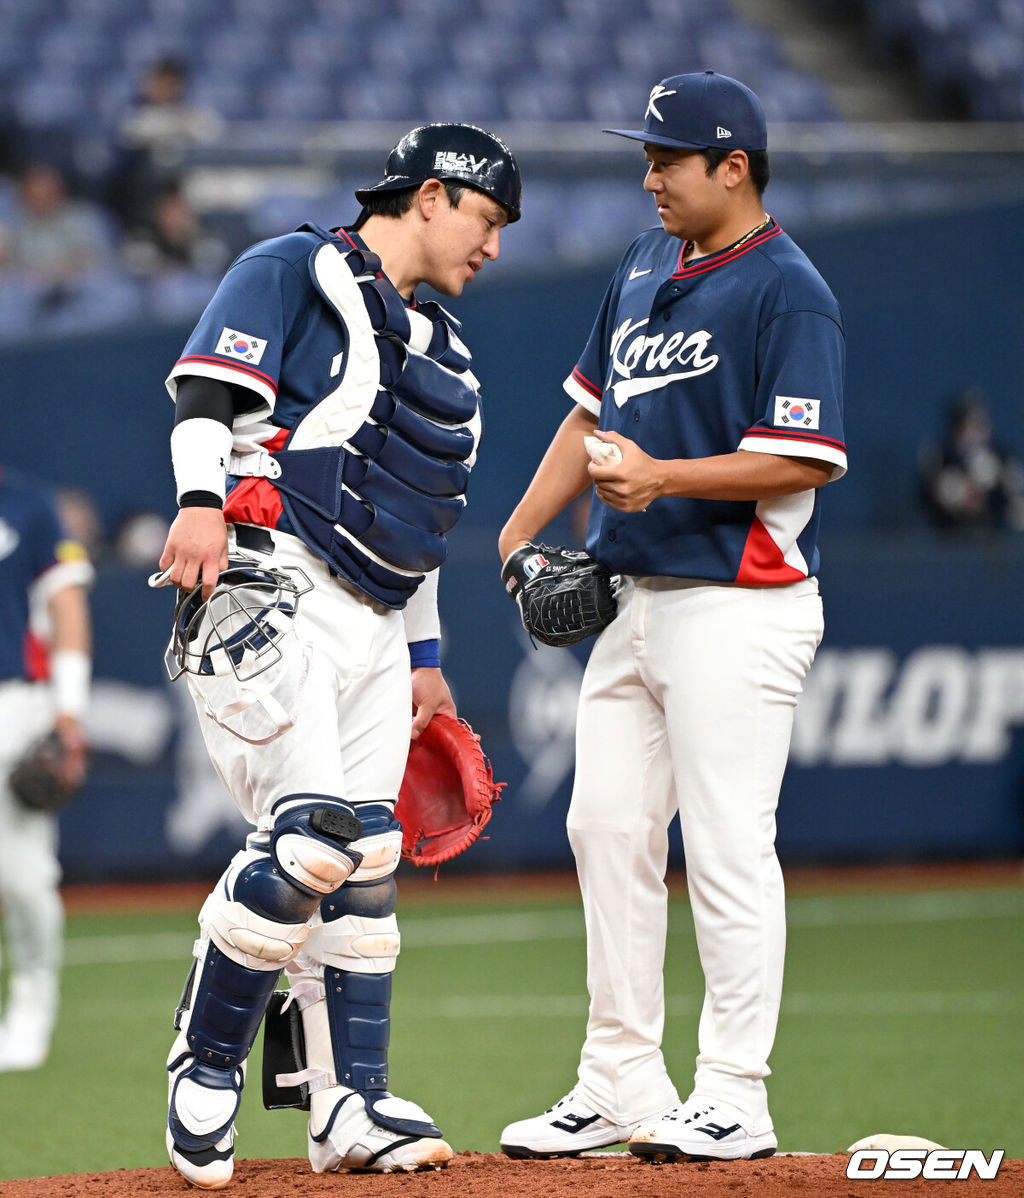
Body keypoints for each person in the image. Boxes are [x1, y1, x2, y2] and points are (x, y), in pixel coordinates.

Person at [152, 122, 521, 1189]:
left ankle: (346, 1101)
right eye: (485, 219)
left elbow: (415, 516)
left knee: (366, 861)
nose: (491, 246)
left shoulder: (443, 347)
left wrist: (424, 654)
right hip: (267, 581)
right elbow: (208, 396)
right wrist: (197, 501)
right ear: (432, 196)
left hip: (373, 616)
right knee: (311, 839)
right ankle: (207, 1059)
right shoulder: (292, 268)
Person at [497, 71, 846, 1164]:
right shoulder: (645, 263)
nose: (647, 175)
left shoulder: (789, 290)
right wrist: (516, 534)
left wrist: (663, 477)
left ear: (732, 165)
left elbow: (806, 455)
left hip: (740, 603)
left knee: (731, 847)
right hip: (631, 598)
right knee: (603, 828)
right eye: (644, 155)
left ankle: (735, 1092)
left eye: (667, 157)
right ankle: (618, 1081)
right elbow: (587, 411)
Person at [0, 466, 93, 1071]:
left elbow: (66, 605)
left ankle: (32, 1004)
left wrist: (68, 714)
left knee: (21, 874)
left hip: (11, 705)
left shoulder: (26, 503)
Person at [918, 385, 1024, 535]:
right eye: (962, 425)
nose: (970, 432)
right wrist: (951, 496)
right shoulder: (939, 458)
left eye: (976, 425)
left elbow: (1016, 504)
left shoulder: (1002, 459)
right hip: (949, 543)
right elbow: (923, 500)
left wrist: (993, 495)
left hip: (994, 544)